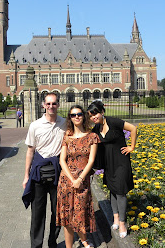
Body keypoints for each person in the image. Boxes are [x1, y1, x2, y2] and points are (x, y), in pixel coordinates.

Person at [22, 92, 67, 248]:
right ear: (43, 105)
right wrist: (26, 175)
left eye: (54, 103)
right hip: (39, 174)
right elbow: (30, 151)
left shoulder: (65, 123)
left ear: (58, 105)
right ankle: (36, 245)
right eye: (48, 104)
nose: (51, 106)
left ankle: (52, 242)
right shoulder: (35, 125)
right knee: (38, 214)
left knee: (58, 212)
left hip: (58, 174)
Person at [87, 100, 137, 238]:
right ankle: (115, 217)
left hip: (121, 162)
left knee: (120, 192)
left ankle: (122, 222)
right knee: (113, 190)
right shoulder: (96, 129)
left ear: (102, 112)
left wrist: (131, 147)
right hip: (108, 164)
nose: (94, 117)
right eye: (91, 116)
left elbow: (133, 128)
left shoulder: (114, 122)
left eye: (95, 114)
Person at [57, 105, 100, 248]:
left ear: (83, 116)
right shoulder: (67, 137)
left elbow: (91, 160)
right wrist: (72, 179)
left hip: (82, 181)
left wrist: (80, 179)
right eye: (73, 115)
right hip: (66, 181)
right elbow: (62, 160)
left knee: (81, 212)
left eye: (79, 114)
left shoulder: (91, 136)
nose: (76, 117)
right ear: (70, 118)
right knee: (67, 216)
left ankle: (84, 241)